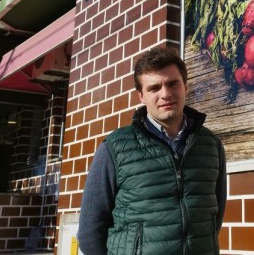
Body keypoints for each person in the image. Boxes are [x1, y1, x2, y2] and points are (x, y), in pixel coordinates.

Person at [77, 47, 227, 254]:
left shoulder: (211, 146)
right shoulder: (115, 148)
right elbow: (90, 230)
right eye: (154, 88)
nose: (165, 94)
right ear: (141, 96)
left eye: (173, 84)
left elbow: (213, 219)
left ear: (185, 87)